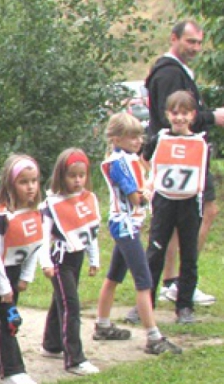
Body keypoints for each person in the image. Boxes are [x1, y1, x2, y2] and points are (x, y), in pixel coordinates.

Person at [145, 20, 224, 308]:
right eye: (190, 42)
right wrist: (211, 117)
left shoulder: (175, 70)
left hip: (187, 155)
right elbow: (171, 114)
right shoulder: (170, 72)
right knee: (203, 211)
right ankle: (178, 281)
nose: (195, 48)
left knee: (183, 219)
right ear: (174, 39)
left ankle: (175, 281)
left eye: (198, 42)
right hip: (181, 157)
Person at [96, 112, 181, 355]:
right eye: (131, 137)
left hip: (127, 224)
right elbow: (135, 198)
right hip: (124, 224)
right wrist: (150, 190)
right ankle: (153, 336)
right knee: (144, 281)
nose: (137, 142)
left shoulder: (128, 159)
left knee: (114, 275)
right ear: (116, 138)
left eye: (139, 137)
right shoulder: (120, 163)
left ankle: (102, 323)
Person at [0, 155, 43, 384]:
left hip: (15, 270)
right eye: (24, 182)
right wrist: (4, 287)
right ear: (10, 185)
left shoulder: (36, 213)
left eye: (34, 181)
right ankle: (12, 370)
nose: (30, 187)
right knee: (9, 317)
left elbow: (35, 245)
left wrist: (27, 275)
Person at [145, 91, 210, 324]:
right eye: (175, 113)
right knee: (155, 252)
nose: (179, 118)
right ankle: (145, 302)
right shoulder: (159, 139)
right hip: (164, 201)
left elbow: (203, 174)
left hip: (190, 203)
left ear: (192, 115)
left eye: (184, 113)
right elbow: (146, 158)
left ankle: (184, 306)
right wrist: (150, 184)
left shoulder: (200, 143)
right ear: (167, 114)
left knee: (189, 254)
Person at [38, 149, 103, 375]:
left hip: (77, 258)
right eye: (72, 175)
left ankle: (51, 343)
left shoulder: (87, 199)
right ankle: (74, 358)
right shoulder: (51, 204)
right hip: (60, 259)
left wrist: (94, 258)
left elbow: (89, 231)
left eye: (81, 175)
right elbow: (43, 237)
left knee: (62, 299)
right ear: (61, 176)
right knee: (71, 306)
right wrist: (45, 262)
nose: (77, 180)